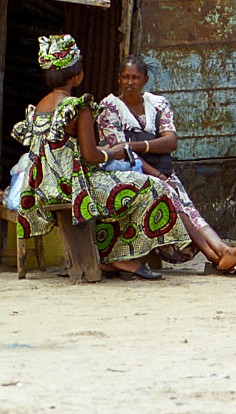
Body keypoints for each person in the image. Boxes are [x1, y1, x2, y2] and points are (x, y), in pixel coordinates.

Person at [12, 35, 192, 280]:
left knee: (120, 183)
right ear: (77, 75)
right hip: (76, 188)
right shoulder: (78, 106)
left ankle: (111, 258)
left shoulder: (40, 106)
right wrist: (114, 152)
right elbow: (92, 156)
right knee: (151, 186)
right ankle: (123, 258)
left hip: (45, 187)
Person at [97, 55, 236, 277]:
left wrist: (135, 144)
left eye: (135, 78)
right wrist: (156, 171)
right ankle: (216, 254)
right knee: (177, 201)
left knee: (188, 207)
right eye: (125, 77)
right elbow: (122, 154)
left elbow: (170, 141)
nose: (130, 82)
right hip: (130, 174)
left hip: (161, 172)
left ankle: (222, 252)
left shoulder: (157, 104)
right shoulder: (109, 107)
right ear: (119, 79)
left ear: (145, 80)